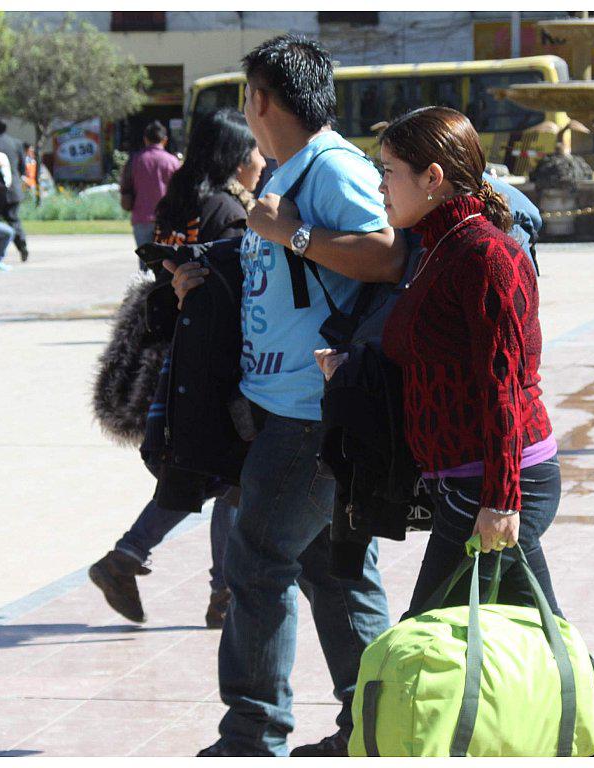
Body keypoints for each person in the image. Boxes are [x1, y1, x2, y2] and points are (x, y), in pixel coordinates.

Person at [169, 35, 401, 758]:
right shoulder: (290, 167)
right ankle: (375, 726)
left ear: (260, 101)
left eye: (246, 95)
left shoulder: (329, 166)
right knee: (332, 572)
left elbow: (386, 251)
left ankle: (253, 733)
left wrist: (290, 230)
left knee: (259, 561)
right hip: (292, 409)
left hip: (311, 415)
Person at [377, 106, 594, 757]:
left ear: (432, 177)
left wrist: (502, 499)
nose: (381, 187)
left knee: (428, 628)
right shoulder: (438, 247)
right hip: (473, 481)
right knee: (540, 630)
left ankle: (372, 737)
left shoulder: (487, 256)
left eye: (388, 173)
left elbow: (504, 386)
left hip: (496, 482)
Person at [88, 107, 266, 631]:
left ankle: (190, 580)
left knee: (213, 476)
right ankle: (205, 586)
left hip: (186, 356)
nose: (260, 159)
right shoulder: (228, 212)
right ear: (235, 157)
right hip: (219, 362)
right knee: (221, 475)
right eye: (253, 149)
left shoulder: (182, 202)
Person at [121, 120, 182, 249]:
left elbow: (125, 187)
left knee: (146, 262)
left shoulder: (135, 160)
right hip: (168, 219)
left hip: (141, 217)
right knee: (167, 261)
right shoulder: (173, 162)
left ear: (145, 139)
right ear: (164, 140)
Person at [0, 118, 30, 261]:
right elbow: (22, 167)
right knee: (14, 219)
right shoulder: (16, 143)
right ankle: (22, 245)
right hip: (15, 188)